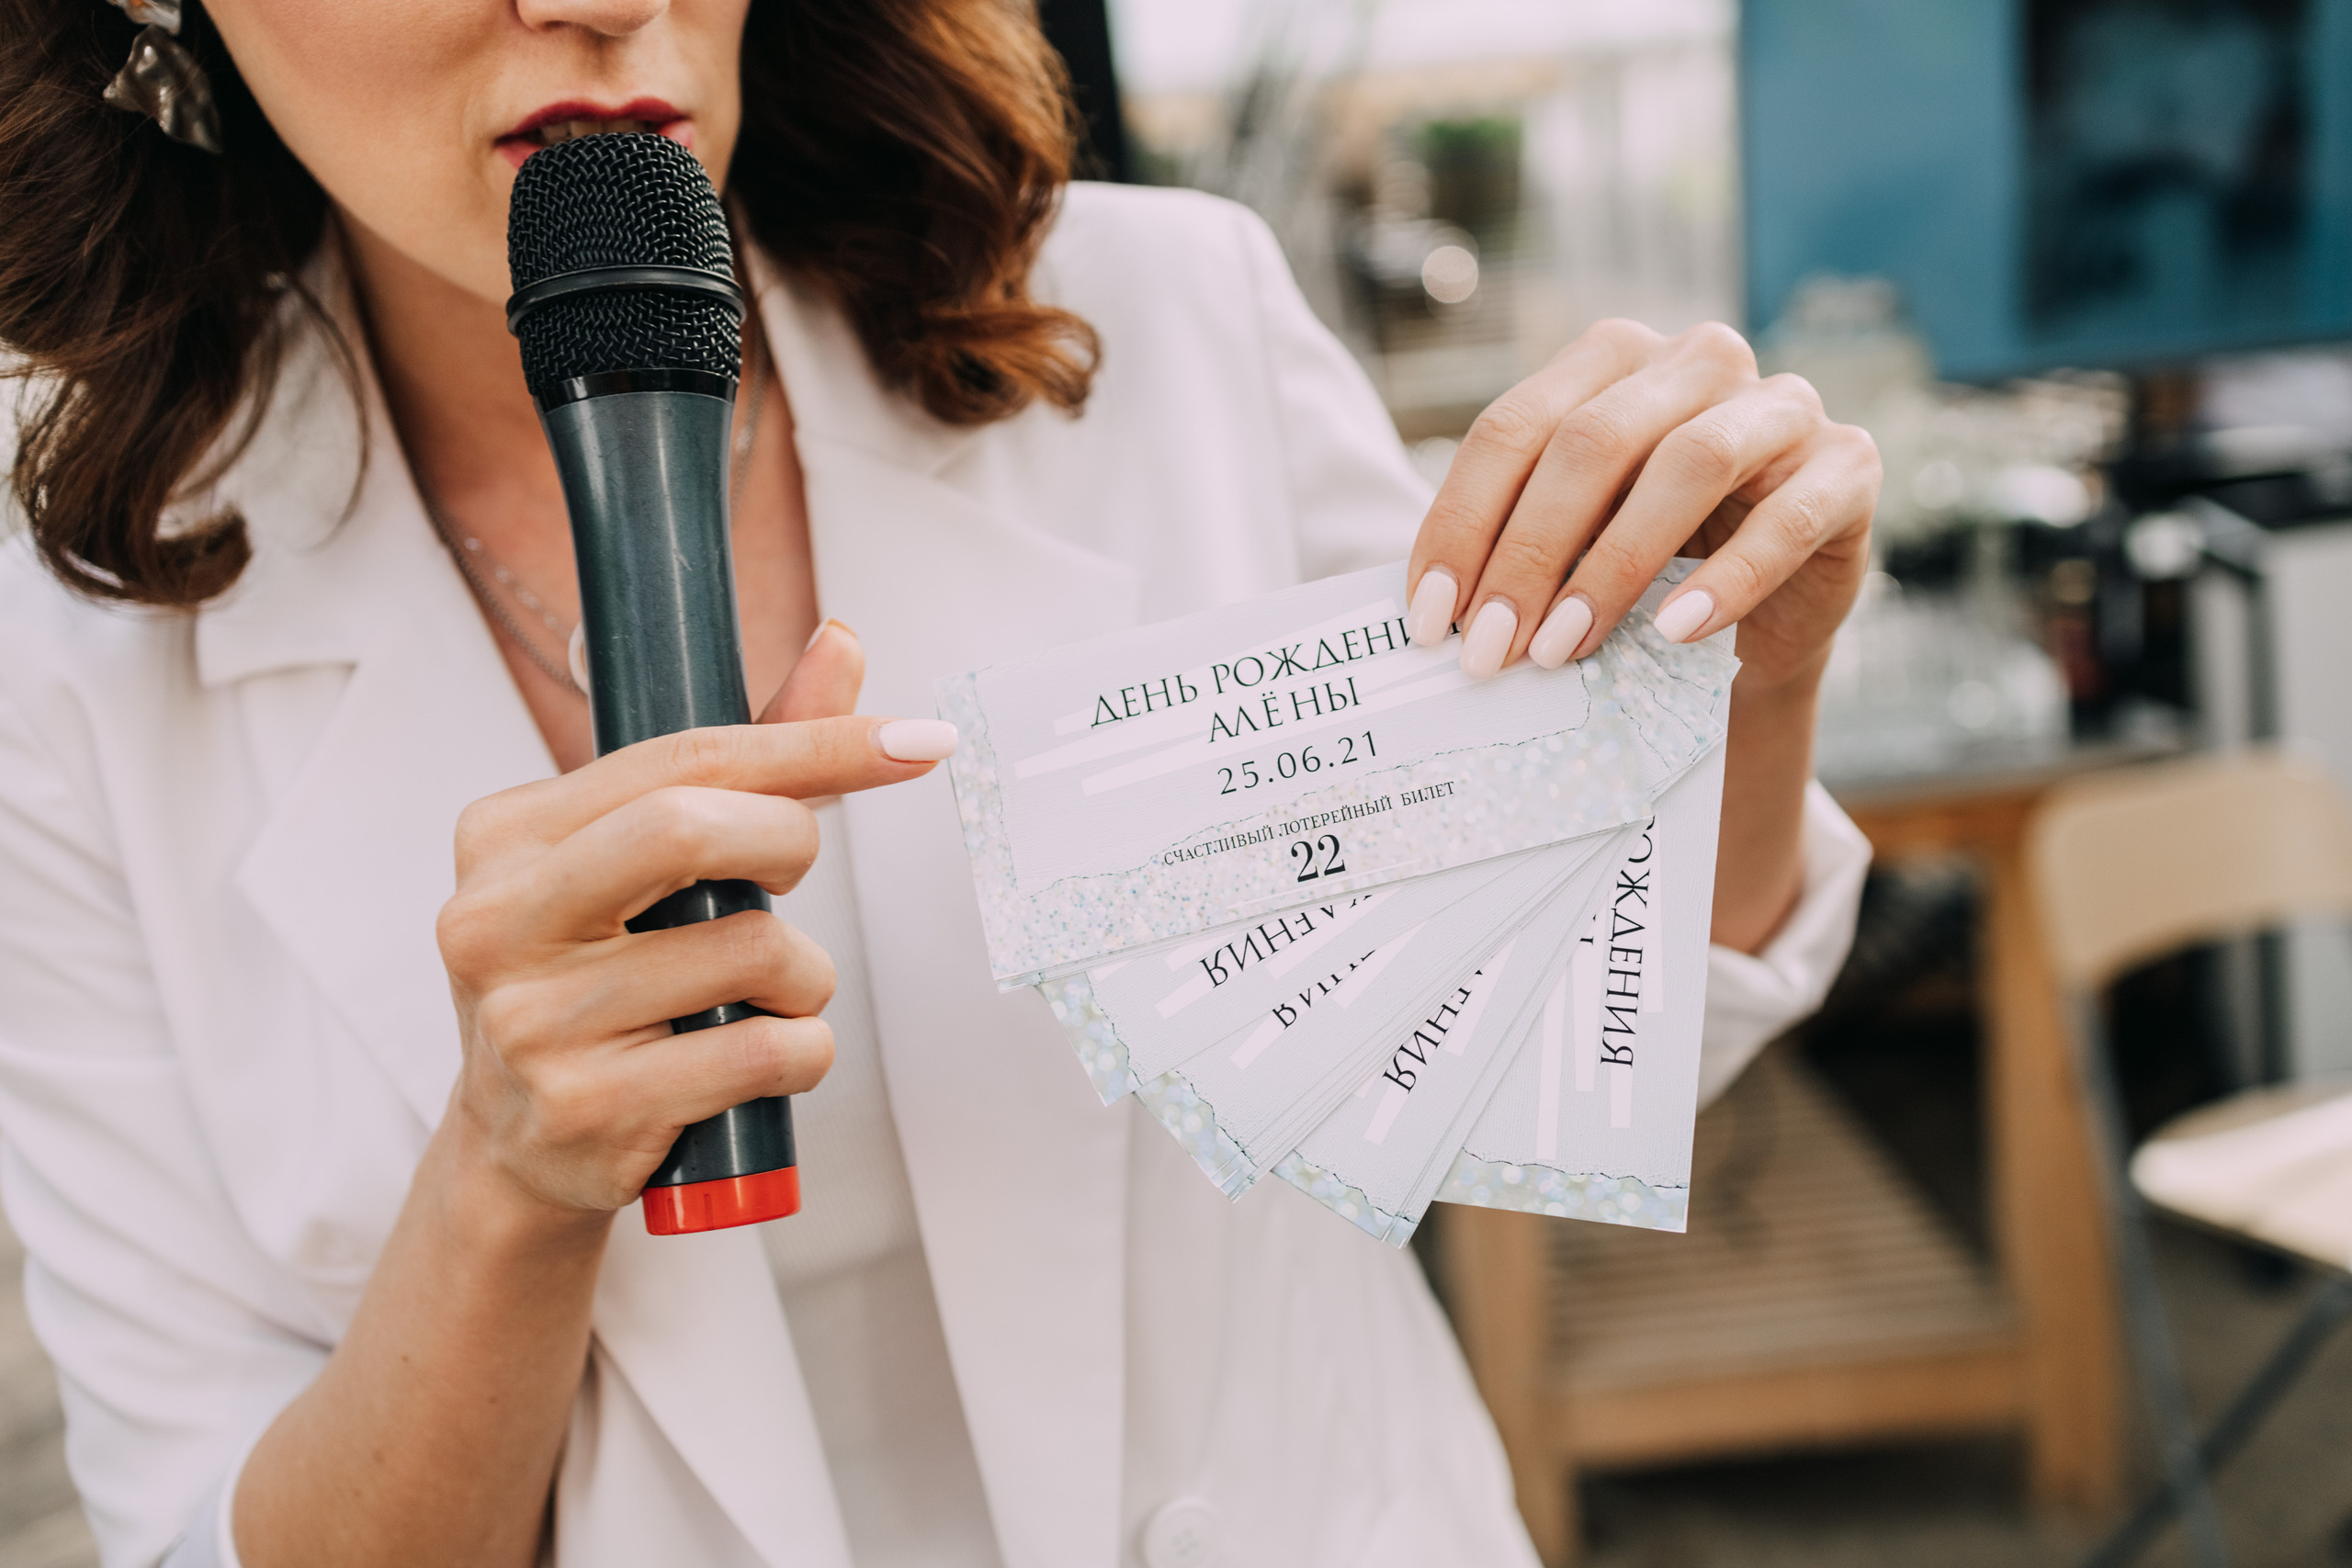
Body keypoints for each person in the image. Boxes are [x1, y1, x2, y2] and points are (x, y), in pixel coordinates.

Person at [0, 2, 1877, 1565]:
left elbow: (1549, 1020)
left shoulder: (1162, 330)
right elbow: (203, 1529)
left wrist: (1735, 667)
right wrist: (504, 1182)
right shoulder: (67, 659)